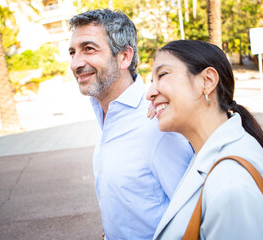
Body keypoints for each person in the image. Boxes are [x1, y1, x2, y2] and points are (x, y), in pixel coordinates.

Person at [146, 40, 263, 240]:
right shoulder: (210, 156)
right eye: (151, 81)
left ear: (207, 81)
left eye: (162, 75)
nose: (150, 93)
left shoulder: (232, 186)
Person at [68, 9, 193, 240]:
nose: (75, 63)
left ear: (124, 57)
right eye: (72, 52)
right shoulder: (106, 114)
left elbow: (192, 215)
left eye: (89, 49)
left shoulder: (158, 120)